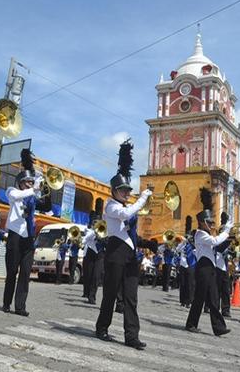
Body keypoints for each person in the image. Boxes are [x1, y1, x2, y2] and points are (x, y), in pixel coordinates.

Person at [95, 139, 157, 351]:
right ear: (113, 190)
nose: (126, 192)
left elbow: (131, 234)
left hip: (130, 255)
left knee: (131, 297)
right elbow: (125, 214)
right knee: (110, 294)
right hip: (115, 253)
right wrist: (142, 198)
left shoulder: (127, 205)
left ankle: (132, 336)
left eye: (127, 189)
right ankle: (102, 327)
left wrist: (147, 243)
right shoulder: (110, 206)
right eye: (122, 190)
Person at [2, 149, 51, 316]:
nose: (31, 184)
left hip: (29, 238)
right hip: (15, 236)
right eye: (28, 182)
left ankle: (20, 306)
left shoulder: (33, 198)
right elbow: (16, 196)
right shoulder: (12, 191)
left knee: (25, 273)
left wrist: (47, 187)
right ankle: (6, 303)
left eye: (32, 182)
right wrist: (33, 188)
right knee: (11, 272)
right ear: (21, 182)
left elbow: (47, 207)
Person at [185, 209, 232, 336]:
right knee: (199, 298)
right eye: (209, 222)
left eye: (212, 222)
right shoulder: (200, 234)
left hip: (210, 268)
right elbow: (214, 242)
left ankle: (219, 328)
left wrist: (229, 238)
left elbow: (218, 246)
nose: (212, 224)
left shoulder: (207, 235)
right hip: (203, 268)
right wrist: (226, 231)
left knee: (214, 298)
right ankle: (191, 324)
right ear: (201, 222)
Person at [82, 218, 105, 304]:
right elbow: (84, 240)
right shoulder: (91, 233)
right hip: (90, 254)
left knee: (96, 276)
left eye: (97, 225)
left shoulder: (104, 233)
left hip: (100, 255)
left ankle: (92, 297)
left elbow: (106, 241)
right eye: (95, 225)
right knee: (88, 275)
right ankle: (87, 293)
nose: (96, 227)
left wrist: (100, 238)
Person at [176, 236, 196, 308]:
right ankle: (182, 301)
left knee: (190, 285)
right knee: (183, 284)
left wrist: (192, 244)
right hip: (182, 265)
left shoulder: (194, 246)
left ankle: (190, 301)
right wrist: (183, 242)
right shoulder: (182, 245)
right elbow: (177, 249)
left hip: (190, 266)